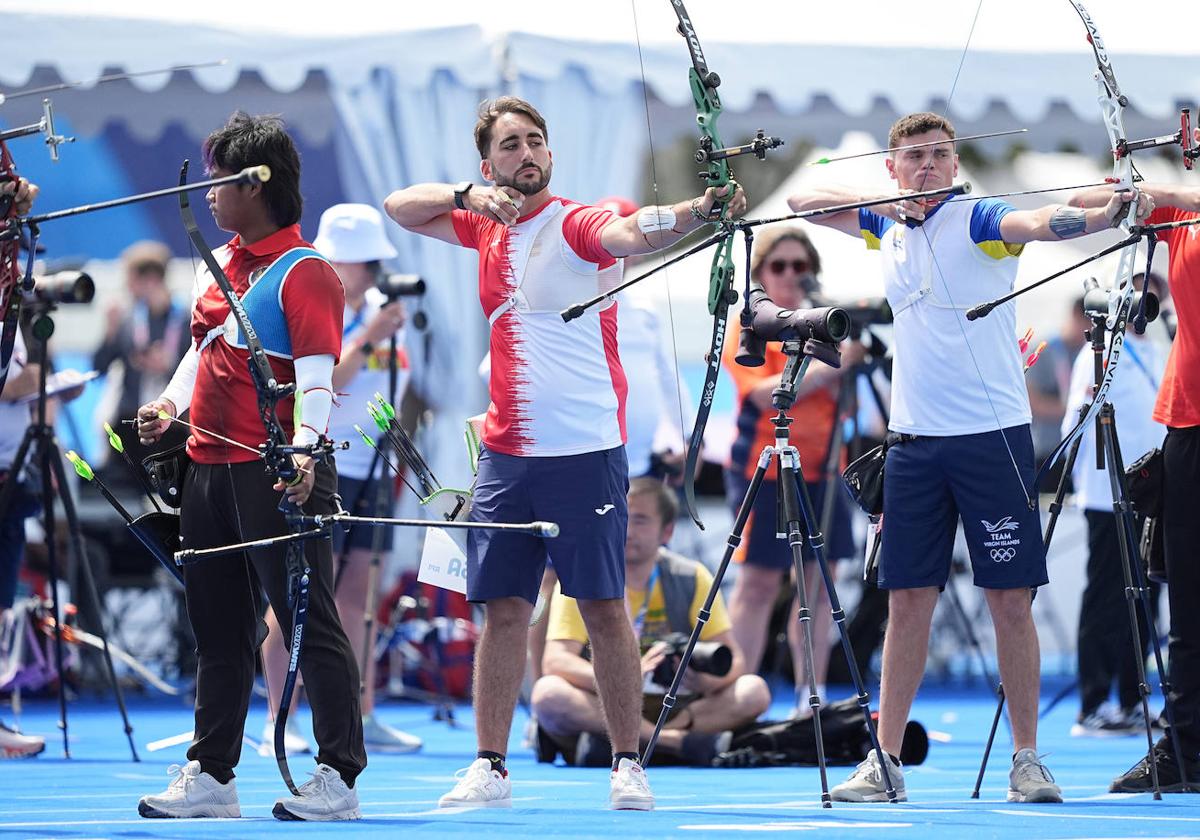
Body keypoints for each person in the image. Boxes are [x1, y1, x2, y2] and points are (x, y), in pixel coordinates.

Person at [383, 95, 746, 811]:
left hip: (584, 454)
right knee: (505, 609)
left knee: (604, 607)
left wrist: (701, 209)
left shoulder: (576, 222)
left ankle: (626, 762)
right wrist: (467, 196)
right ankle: (490, 765)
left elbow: (632, 232)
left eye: (536, 141)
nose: (527, 153)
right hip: (506, 454)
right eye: (511, 145)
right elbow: (400, 206)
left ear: (550, 153)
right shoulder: (483, 225)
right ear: (489, 164)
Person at [785, 111, 1152, 803]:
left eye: (939, 155)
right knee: (907, 601)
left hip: (992, 441)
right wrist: (883, 202)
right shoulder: (886, 224)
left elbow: (1042, 226)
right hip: (915, 445)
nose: (927, 166)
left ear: (956, 165)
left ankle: (1026, 759)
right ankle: (885, 762)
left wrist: (1110, 211)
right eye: (913, 157)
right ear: (893, 168)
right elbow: (803, 204)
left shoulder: (979, 219)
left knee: (1009, 599)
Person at [134, 112, 365, 821]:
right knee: (218, 626)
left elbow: (320, 378)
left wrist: (302, 454)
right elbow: (201, 353)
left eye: (218, 179)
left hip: (276, 469)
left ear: (256, 184)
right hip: (207, 467)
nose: (207, 192)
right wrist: (169, 405)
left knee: (306, 622)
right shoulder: (225, 265)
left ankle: (338, 776)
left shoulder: (306, 271)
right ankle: (213, 773)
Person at [258, 203, 420, 757]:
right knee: (296, 592)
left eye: (376, 262)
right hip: (318, 464)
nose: (374, 273)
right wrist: (372, 334)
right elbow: (322, 379)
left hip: (372, 464)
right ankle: (282, 715)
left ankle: (360, 709)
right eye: (364, 262)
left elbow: (401, 382)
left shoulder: (382, 310)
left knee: (358, 596)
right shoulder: (317, 305)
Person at [1070, 173, 1200, 793]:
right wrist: (1131, 188)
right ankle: (1186, 748)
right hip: (1189, 422)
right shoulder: (1182, 212)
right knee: (1189, 603)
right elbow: (1079, 204)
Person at [532, 478, 770, 766]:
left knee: (753, 691)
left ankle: (639, 743)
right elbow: (556, 662)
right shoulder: (583, 575)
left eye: (641, 521)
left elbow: (734, 662)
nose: (629, 530)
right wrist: (629, 672)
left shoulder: (691, 576)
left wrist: (703, 679)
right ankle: (672, 744)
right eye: (623, 518)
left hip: (677, 705)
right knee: (548, 694)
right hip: (607, 700)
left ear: (666, 531)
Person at [721, 226, 860, 715]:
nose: (790, 276)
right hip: (766, 465)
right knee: (759, 582)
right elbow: (763, 393)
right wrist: (829, 371)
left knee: (819, 583)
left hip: (822, 466)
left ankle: (810, 695)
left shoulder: (826, 321)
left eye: (800, 266)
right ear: (760, 274)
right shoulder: (750, 325)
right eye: (779, 266)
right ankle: (735, 695)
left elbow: (851, 394)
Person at [1060, 277, 1166, 738]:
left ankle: (1132, 696)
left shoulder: (1158, 352)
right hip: (1106, 494)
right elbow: (1075, 424)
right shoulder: (1098, 353)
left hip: (1152, 493)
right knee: (1106, 594)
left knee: (1147, 596)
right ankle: (1094, 701)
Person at [92, 240, 191, 473]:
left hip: (173, 426)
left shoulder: (187, 319)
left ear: (150, 280)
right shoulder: (126, 320)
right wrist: (109, 332)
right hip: (130, 425)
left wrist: (168, 366)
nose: (126, 287)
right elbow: (99, 368)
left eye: (130, 280)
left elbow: (199, 373)